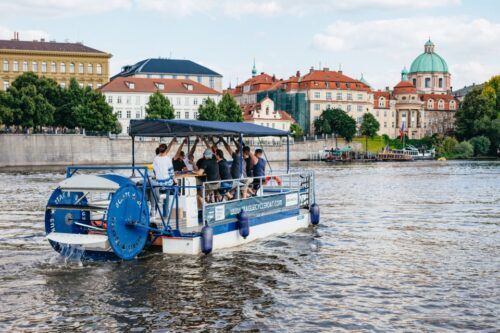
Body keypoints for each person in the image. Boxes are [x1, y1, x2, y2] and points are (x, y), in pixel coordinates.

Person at [150, 142, 176, 216]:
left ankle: (153, 213)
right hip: (167, 183)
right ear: (166, 150)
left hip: (158, 183)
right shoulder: (168, 159)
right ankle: (166, 215)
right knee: (166, 198)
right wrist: (175, 180)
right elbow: (171, 172)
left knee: (155, 198)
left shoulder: (155, 159)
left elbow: (154, 171)